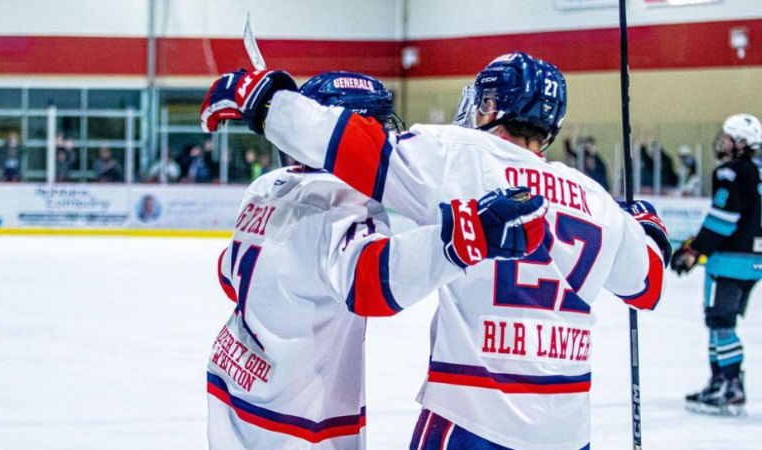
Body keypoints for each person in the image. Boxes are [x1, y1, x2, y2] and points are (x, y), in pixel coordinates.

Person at [201, 53, 672, 450]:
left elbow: (356, 147)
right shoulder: (595, 199)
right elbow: (648, 284)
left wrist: (269, 104)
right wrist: (646, 228)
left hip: (470, 414)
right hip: (568, 427)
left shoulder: (458, 153)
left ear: (490, 104)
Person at [672, 113, 762, 416]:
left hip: (729, 260)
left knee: (721, 322)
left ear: (740, 143)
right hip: (755, 260)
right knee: (720, 320)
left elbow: (723, 220)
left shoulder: (731, 172)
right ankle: (718, 382)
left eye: (727, 136)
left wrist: (694, 250)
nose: (721, 142)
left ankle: (730, 384)